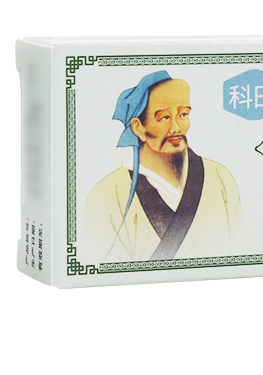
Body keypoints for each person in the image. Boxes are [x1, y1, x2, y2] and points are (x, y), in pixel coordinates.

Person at [84, 71, 242, 262]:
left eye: (183, 114)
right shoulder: (108, 193)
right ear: (138, 127)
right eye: (164, 117)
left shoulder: (219, 177)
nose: (176, 127)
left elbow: (237, 247)